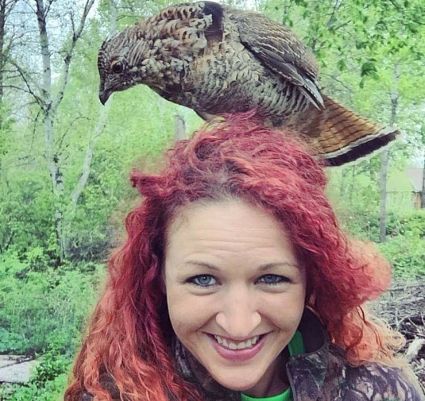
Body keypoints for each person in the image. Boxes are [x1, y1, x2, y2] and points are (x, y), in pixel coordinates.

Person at [64, 115, 424, 401]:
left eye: (271, 279)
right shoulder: (113, 396)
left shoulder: (381, 391)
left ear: (312, 278)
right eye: (203, 279)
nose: (238, 325)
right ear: (157, 277)